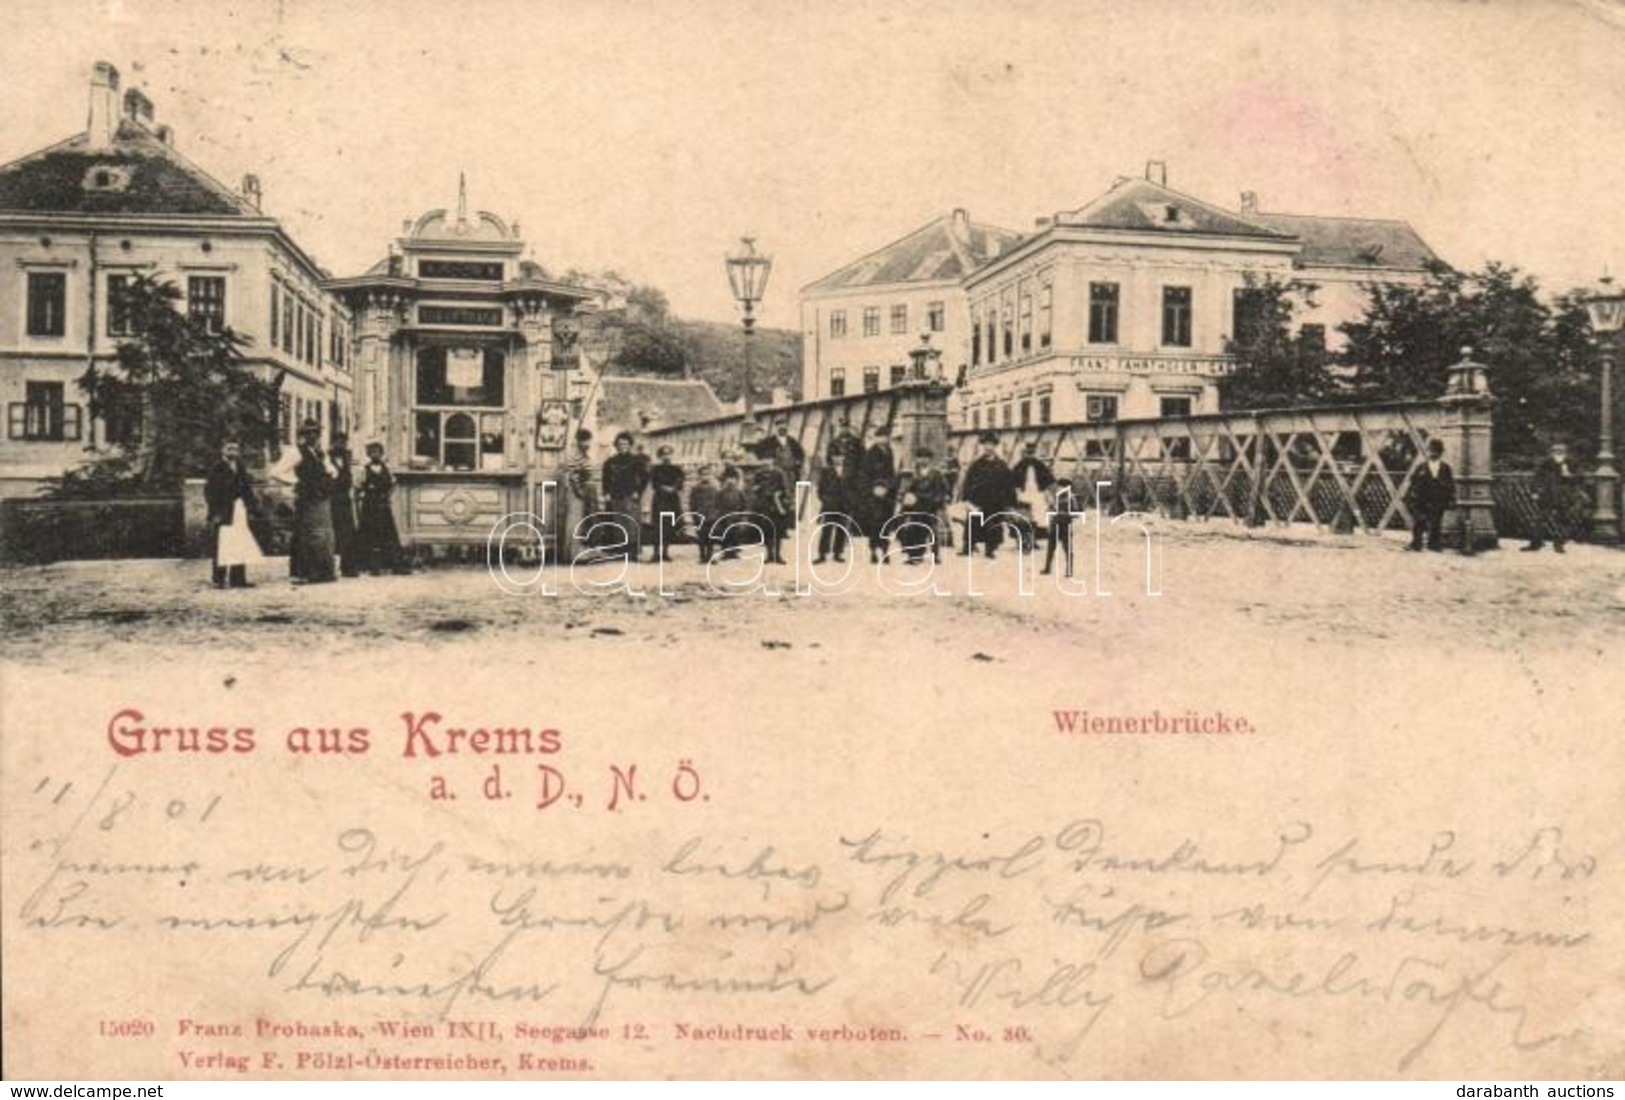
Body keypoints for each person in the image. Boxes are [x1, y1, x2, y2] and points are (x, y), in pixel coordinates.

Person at [274, 419, 338, 584]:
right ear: (302, 435)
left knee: (324, 535)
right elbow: (276, 472)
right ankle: (308, 572)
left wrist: (329, 476)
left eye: (316, 432)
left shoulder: (320, 452)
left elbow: (332, 470)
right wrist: (296, 482)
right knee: (308, 535)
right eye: (308, 432)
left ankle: (324, 571)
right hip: (307, 498)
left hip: (322, 497)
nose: (313, 436)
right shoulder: (296, 452)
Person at [204, 439, 261, 589]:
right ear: (223, 450)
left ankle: (238, 578)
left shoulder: (240, 467)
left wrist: (252, 507)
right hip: (223, 511)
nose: (232, 452)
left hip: (238, 509)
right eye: (229, 448)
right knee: (222, 544)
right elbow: (210, 492)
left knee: (240, 542)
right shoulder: (217, 468)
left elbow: (246, 490)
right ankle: (219, 579)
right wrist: (214, 512)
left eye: (235, 449)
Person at [960, 431, 1017, 559]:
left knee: (993, 525)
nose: (988, 447)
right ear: (983, 446)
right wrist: (967, 499)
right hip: (978, 501)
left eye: (990, 444)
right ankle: (968, 547)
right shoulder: (976, 464)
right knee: (973, 523)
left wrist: (1009, 503)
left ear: (995, 446)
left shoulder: (1001, 465)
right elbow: (968, 482)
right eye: (985, 444)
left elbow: (1008, 485)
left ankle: (990, 549)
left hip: (995, 502)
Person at [357, 441, 411, 575]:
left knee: (389, 534)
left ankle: (394, 565)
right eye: (372, 452)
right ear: (368, 454)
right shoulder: (364, 469)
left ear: (381, 453)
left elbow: (393, 484)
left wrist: (386, 495)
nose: (375, 454)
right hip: (370, 506)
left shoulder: (387, 469)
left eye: (378, 451)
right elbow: (359, 486)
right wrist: (366, 493)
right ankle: (372, 566)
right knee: (370, 535)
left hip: (383, 505)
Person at [896, 449, 950, 565]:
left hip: (931, 507)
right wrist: (907, 498)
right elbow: (909, 490)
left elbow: (943, 490)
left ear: (930, 460)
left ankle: (936, 555)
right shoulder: (914, 474)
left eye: (925, 457)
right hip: (917, 507)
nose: (922, 460)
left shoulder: (936, 474)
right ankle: (915, 555)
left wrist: (937, 501)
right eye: (920, 457)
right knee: (915, 529)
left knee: (933, 531)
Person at [602, 430, 649, 561]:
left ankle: (633, 552)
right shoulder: (610, 462)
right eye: (620, 444)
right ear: (616, 445)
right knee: (619, 523)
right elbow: (605, 479)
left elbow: (645, 477)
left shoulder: (636, 461)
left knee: (631, 524)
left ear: (630, 445)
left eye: (626, 444)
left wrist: (638, 492)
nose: (623, 446)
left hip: (631, 496)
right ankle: (621, 552)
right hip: (616, 496)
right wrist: (606, 493)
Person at [1523, 441, 1575, 553]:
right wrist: (1535, 491)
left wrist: (1569, 475)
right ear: (1552, 452)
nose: (1559, 453)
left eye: (1561, 451)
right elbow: (1537, 478)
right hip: (1547, 495)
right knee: (1540, 519)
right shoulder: (1546, 462)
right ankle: (1536, 543)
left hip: (1564, 496)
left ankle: (1559, 544)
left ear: (1565, 452)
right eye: (1556, 451)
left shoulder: (1571, 462)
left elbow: (1580, 477)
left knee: (1564, 520)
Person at [1405, 438, 1455, 552]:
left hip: (1438, 498)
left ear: (1441, 453)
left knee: (1436, 521)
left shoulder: (1445, 468)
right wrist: (1412, 496)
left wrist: (1450, 497)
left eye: (1436, 451)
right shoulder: (1421, 467)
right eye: (1431, 451)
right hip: (1422, 498)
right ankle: (1416, 543)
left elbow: (1450, 484)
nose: (1433, 454)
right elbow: (1413, 482)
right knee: (1419, 521)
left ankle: (1434, 544)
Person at [857, 425, 897, 563]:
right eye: (881, 436)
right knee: (875, 523)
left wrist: (889, 487)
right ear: (877, 438)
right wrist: (873, 489)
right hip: (874, 495)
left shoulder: (889, 452)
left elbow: (891, 473)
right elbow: (865, 474)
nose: (884, 439)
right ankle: (874, 550)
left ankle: (885, 550)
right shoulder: (871, 453)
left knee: (886, 523)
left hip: (887, 495)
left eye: (886, 436)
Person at [565, 428, 603, 559]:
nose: (586, 444)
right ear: (578, 442)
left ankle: (587, 550)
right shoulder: (575, 457)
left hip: (589, 490)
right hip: (578, 491)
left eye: (588, 441)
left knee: (590, 520)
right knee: (575, 521)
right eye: (583, 441)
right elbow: (573, 476)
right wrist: (579, 492)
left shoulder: (587, 457)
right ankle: (573, 553)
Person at [1010, 442, 1055, 552]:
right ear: (1025, 453)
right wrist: (1016, 491)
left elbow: (1048, 480)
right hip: (1024, 495)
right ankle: (1022, 541)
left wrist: (1047, 493)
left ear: (1034, 453)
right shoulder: (1020, 465)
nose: (1030, 455)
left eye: (1032, 453)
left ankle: (1033, 541)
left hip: (1037, 494)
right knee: (1023, 518)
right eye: (1028, 453)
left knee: (1037, 518)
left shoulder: (1040, 465)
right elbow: (1012, 480)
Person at [814, 454, 856, 564]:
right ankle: (822, 554)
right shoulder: (826, 471)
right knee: (827, 530)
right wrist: (826, 499)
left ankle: (838, 553)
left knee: (842, 530)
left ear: (844, 458)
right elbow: (820, 489)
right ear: (832, 459)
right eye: (835, 457)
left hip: (844, 505)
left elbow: (854, 487)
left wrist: (851, 500)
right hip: (830, 505)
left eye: (840, 457)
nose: (838, 459)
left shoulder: (850, 471)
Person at [329, 435, 360, 578]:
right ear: (332, 443)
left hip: (345, 500)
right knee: (331, 533)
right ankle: (329, 567)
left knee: (348, 533)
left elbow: (351, 478)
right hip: (331, 499)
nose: (341, 444)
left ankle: (348, 567)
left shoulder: (348, 458)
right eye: (338, 442)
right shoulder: (326, 458)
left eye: (343, 442)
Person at [648, 445, 685, 563]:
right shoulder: (655, 469)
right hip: (660, 499)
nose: (666, 456)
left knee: (669, 526)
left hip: (672, 500)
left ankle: (665, 553)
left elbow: (680, 482)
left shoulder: (677, 469)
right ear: (660, 456)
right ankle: (655, 553)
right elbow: (654, 484)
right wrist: (664, 488)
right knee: (657, 526)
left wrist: (673, 488)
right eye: (664, 454)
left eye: (669, 453)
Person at [1042, 477, 1084, 577]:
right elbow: (1049, 510)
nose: (1059, 488)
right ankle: (1048, 568)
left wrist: (1064, 513)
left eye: (1061, 486)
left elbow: (1077, 513)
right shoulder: (1055, 498)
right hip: (1055, 524)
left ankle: (1069, 571)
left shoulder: (1072, 498)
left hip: (1065, 525)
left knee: (1067, 549)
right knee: (1051, 548)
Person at [713, 468, 750, 560]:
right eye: (728, 479)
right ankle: (725, 552)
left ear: (736, 481)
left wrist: (743, 516)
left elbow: (744, 504)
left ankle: (734, 552)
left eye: (732, 479)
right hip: (725, 516)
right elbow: (717, 504)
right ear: (725, 481)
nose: (730, 481)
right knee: (725, 535)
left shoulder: (739, 492)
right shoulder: (721, 492)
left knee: (735, 535)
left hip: (736, 516)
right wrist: (719, 515)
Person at [688, 463, 721, 564]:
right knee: (701, 537)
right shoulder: (695, 489)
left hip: (711, 516)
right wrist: (694, 515)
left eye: (707, 474)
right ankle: (702, 556)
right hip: (699, 516)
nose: (705, 476)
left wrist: (716, 514)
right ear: (699, 476)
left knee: (711, 537)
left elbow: (718, 502)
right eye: (702, 474)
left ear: (711, 475)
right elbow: (692, 503)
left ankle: (710, 556)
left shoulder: (714, 488)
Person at [756, 417, 806, 483]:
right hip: (774, 472)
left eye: (784, 428)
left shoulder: (792, 441)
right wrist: (766, 461)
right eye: (780, 428)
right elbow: (759, 453)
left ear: (787, 428)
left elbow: (800, 454)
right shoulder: (768, 441)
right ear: (776, 428)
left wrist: (798, 463)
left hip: (791, 472)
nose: (782, 430)